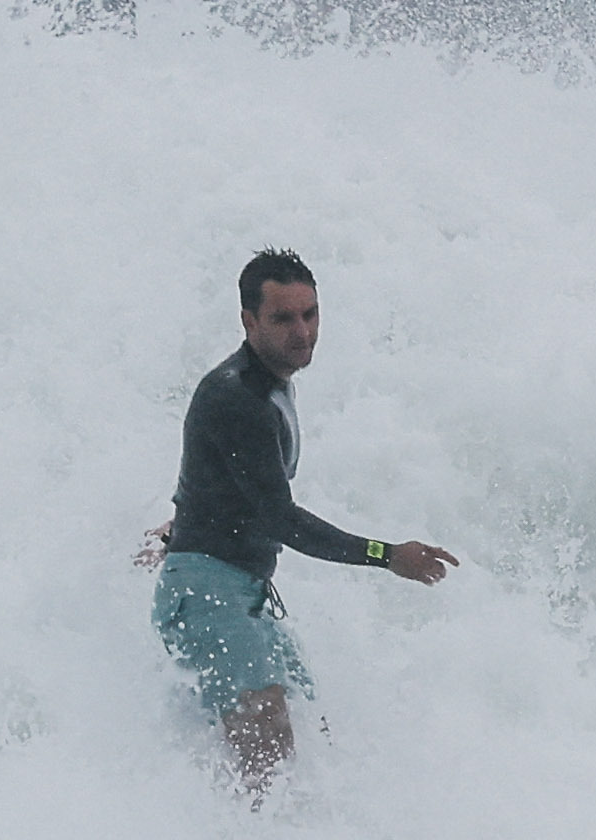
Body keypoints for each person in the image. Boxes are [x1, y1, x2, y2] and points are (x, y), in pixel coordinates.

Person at [140, 248, 453, 794]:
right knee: (268, 740)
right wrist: (386, 555)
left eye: (310, 314)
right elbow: (280, 518)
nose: (302, 331)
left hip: (242, 593)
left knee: (310, 734)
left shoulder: (271, 385)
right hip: (209, 592)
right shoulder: (239, 397)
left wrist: (178, 523)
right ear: (249, 321)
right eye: (283, 318)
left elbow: (214, 470)